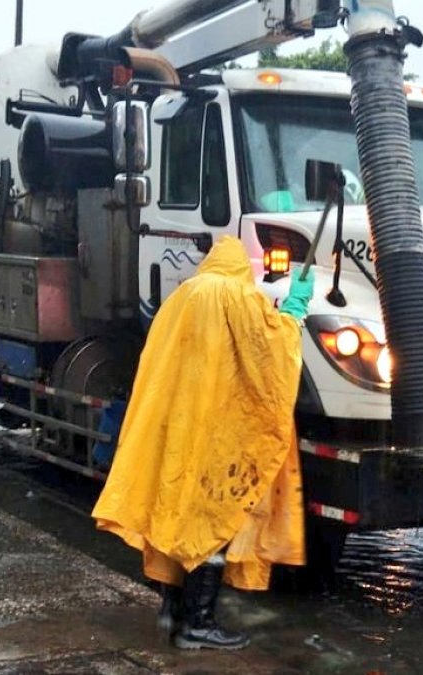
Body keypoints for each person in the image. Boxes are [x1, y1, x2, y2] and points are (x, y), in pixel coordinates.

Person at [92, 236, 314, 651]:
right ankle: (199, 622)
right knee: (212, 526)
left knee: (176, 516)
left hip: (179, 430)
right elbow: (269, 354)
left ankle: (173, 611)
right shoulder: (235, 295)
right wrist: (294, 312)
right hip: (217, 433)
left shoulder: (182, 297)